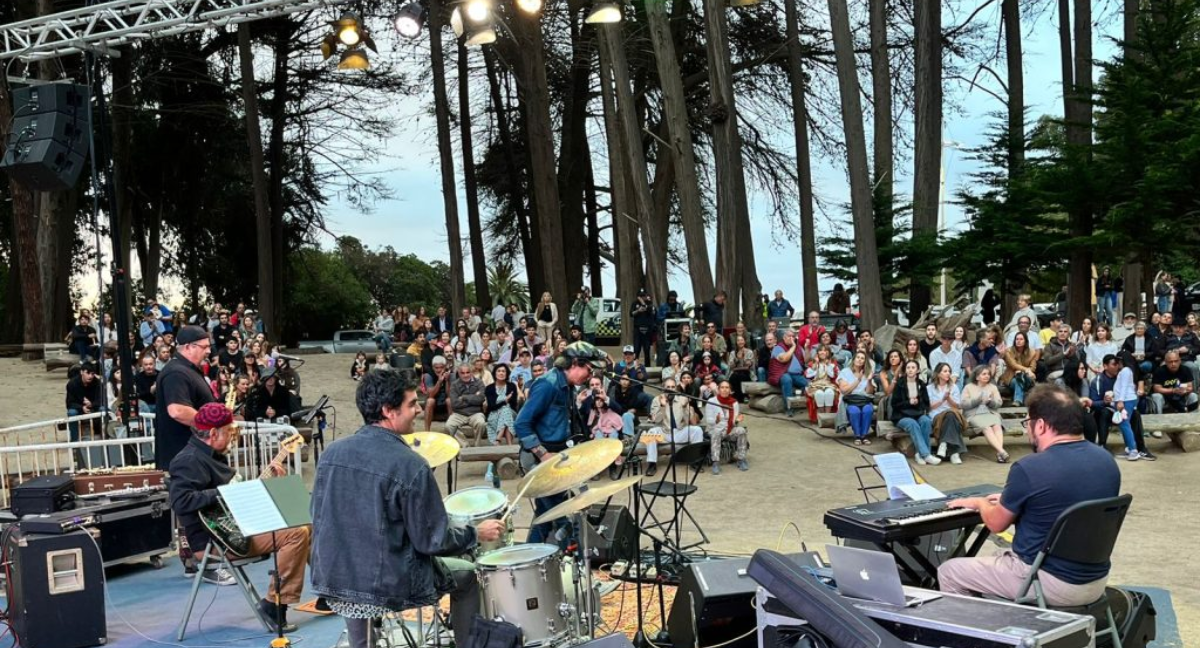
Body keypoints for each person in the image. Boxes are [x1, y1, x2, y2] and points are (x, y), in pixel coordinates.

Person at [310, 370, 504, 648]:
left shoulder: (331, 454)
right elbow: (432, 540)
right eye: (412, 404)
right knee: (467, 575)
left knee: (355, 575)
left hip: (334, 577)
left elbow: (317, 513)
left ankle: (362, 643)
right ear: (389, 411)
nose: (418, 410)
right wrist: (474, 533)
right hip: (387, 582)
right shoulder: (409, 464)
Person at [937, 385, 1120, 607]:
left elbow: (996, 524)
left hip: (1050, 582)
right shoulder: (1107, 461)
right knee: (998, 554)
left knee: (949, 571)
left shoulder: (1029, 468)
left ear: (1041, 425)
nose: (1027, 430)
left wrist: (979, 502)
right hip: (1095, 581)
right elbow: (1065, 498)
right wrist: (1013, 498)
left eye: (1028, 423)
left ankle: (983, 637)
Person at [168, 403, 311, 633]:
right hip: (214, 540)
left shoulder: (212, 456)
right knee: (296, 534)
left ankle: (328, 591)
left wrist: (266, 485)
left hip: (234, 528)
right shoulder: (188, 460)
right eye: (228, 432)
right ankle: (276, 604)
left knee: (304, 524)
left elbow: (232, 500)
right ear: (213, 433)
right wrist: (225, 493)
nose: (232, 439)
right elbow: (181, 501)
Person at [514, 342, 606, 544]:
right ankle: (574, 565)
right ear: (574, 363)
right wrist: (543, 455)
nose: (590, 376)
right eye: (588, 370)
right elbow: (521, 424)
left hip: (557, 455)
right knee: (564, 517)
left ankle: (530, 556)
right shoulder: (547, 385)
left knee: (545, 516)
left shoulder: (569, 387)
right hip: (541, 458)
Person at [154, 326, 217, 469]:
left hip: (195, 457)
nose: (208, 351)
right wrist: (213, 426)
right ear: (189, 347)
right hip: (185, 460)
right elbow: (178, 411)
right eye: (204, 347)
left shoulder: (188, 370)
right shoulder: (176, 372)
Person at [1090, 355, 1148, 461]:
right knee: (1104, 413)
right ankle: (1102, 444)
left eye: (1118, 363)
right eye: (1114, 364)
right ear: (1105, 366)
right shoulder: (1097, 381)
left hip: (1120, 406)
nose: (1117, 366)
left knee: (1135, 414)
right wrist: (1104, 401)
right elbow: (1093, 403)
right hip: (1105, 409)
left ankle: (1140, 448)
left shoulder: (1122, 374)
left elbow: (1129, 388)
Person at [646, 378, 705, 477]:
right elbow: (656, 420)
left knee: (697, 430)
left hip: (679, 431)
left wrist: (686, 407)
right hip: (664, 432)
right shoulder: (657, 400)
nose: (670, 389)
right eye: (668, 387)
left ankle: (695, 462)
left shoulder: (682, 399)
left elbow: (690, 421)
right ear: (663, 388)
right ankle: (652, 464)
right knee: (651, 432)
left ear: (676, 388)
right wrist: (663, 406)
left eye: (673, 387)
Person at [891, 359, 940, 465]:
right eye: (908, 368)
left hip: (917, 413)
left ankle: (919, 454)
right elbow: (894, 404)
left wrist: (918, 402)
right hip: (901, 415)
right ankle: (926, 455)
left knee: (926, 421)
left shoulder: (921, 384)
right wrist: (908, 402)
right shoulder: (900, 384)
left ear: (917, 370)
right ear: (905, 370)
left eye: (913, 368)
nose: (910, 370)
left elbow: (926, 404)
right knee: (913, 424)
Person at [961, 365, 1008, 463]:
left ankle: (1000, 453)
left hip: (990, 413)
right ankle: (1001, 451)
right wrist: (978, 400)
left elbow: (999, 403)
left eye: (988, 374)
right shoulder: (968, 387)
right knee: (987, 427)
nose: (987, 376)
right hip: (974, 414)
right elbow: (963, 404)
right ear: (977, 377)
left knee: (997, 426)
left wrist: (989, 402)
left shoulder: (993, 387)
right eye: (984, 374)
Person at [706, 380, 748, 474]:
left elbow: (733, 424)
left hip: (729, 430)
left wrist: (737, 420)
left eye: (727, 388)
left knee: (741, 430)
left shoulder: (734, 403)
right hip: (715, 429)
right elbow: (708, 421)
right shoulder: (711, 401)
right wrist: (716, 420)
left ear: (730, 390)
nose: (724, 390)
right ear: (718, 389)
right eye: (722, 387)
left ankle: (741, 459)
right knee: (716, 432)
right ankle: (715, 462)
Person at [928, 362, 966, 464]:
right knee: (950, 417)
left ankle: (943, 444)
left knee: (950, 414)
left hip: (953, 414)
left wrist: (948, 399)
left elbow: (957, 406)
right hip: (936, 415)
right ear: (938, 374)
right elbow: (929, 406)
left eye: (949, 371)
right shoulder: (929, 388)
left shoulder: (954, 387)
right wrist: (942, 400)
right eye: (945, 371)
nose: (948, 373)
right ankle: (954, 453)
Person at [768, 330, 808, 417]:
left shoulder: (799, 348)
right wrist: (793, 346)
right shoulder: (778, 347)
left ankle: (802, 405)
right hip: (781, 373)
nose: (791, 338)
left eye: (793, 336)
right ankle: (789, 408)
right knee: (787, 379)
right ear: (784, 338)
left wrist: (807, 348)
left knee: (808, 384)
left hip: (797, 374)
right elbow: (785, 358)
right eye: (789, 336)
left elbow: (807, 361)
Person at [838, 351, 876, 444]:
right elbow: (845, 391)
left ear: (865, 361)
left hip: (864, 399)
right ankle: (857, 436)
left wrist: (870, 381)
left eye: (862, 358)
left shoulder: (867, 373)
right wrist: (858, 380)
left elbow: (869, 392)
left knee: (868, 410)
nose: (859, 359)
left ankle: (864, 435)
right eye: (857, 357)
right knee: (855, 411)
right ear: (853, 359)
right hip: (850, 400)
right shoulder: (845, 372)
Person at [446, 363, 487, 445]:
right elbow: (455, 404)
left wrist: (464, 397)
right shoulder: (454, 385)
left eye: (468, 372)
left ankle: (477, 445)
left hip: (476, 413)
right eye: (463, 373)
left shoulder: (479, 382)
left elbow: (481, 399)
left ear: (471, 372)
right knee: (449, 425)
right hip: (459, 414)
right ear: (459, 373)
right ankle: (465, 445)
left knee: (481, 423)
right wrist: (473, 398)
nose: (465, 375)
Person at [1001, 332, 1038, 407]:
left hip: (1027, 377)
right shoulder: (1008, 351)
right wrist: (1026, 370)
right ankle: (1018, 399)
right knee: (1018, 379)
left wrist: (1025, 372)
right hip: (1011, 378)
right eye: (1017, 339)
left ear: (1025, 341)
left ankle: (1017, 400)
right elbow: (1013, 365)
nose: (1018, 341)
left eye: (1021, 339)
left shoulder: (1032, 352)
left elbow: (1033, 367)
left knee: (1021, 377)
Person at [805, 345, 839, 414]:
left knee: (829, 393)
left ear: (828, 353)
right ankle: (822, 414)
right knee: (819, 393)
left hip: (828, 384)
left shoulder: (832, 364)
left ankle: (828, 414)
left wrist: (828, 365)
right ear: (817, 353)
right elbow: (808, 375)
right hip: (816, 385)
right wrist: (815, 364)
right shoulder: (813, 363)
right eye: (820, 350)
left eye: (825, 350)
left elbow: (832, 375)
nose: (822, 352)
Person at [422, 356, 452, 431]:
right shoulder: (428, 376)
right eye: (436, 368)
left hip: (445, 404)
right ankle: (427, 431)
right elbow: (431, 395)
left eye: (441, 367)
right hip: (434, 406)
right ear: (432, 367)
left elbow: (450, 395)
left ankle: (451, 430)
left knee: (449, 400)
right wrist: (439, 382)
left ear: (445, 367)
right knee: (430, 401)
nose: (439, 370)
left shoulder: (450, 375)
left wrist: (447, 381)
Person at [727, 335, 757, 403]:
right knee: (734, 376)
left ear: (744, 341)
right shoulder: (732, 353)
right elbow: (731, 366)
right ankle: (738, 397)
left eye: (741, 340)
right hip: (735, 373)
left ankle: (743, 396)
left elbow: (749, 364)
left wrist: (743, 358)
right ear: (736, 342)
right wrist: (736, 359)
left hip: (747, 373)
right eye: (738, 340)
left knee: (742, 376)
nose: (740, 342)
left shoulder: (749, 352)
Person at [631, 289, 656, 366]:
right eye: (640, 296)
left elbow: (651, 312)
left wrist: (643, 303)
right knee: (636, 349)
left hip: (647, 329)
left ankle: (648, 366)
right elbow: (631, 313)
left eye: (643, 296)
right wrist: (638, 311)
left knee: (647, 349)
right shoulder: (634, 303)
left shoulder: (650, 303)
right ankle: (635, 365)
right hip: (637, 329)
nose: (642, 297)